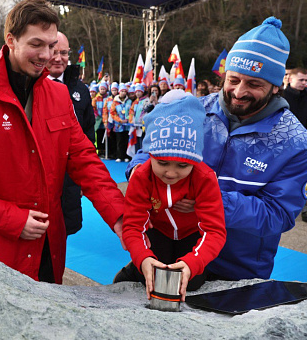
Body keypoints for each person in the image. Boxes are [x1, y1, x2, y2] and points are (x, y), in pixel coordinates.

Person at [0, 0, 126, 284]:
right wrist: (11, 219)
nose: (46, 55)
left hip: (49, 247)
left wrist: (119, 215)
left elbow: (84, 160)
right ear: (11, 40)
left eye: (52, 45)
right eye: (36, 44)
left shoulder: (58, 95)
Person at [127, 17, 307, 281]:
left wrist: (210, 200)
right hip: (172, 251)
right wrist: (138, 171)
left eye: (254, 84)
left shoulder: (295, 141)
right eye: (233, 79)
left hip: (236, 268)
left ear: (276, 86)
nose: (239, 92)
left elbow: (279, 214)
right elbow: (149, 150)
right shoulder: (194, 109)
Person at [116, 90, 227, 301]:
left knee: (191, 282)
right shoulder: (142, 175)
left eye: (183, 165)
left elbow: (215, 231)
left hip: (191, 233)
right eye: (162, 162)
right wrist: (142, 258)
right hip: (159, 230)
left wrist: (193, 263)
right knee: (150, 273)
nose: (170, 173)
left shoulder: (205, 177)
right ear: (150, 154)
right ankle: (134, 269)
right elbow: (133, 226)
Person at [46, 31, 95, 235]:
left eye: (64, 53)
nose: (59, 58)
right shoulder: (29, 86)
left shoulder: (80, 90)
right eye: (54, 52)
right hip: (42, 178)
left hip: (70, 180)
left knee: (63, 233)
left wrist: (86, 177)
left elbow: (88, 133)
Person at [281, 67, 307, 221]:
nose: (304, 83)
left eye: (306, 80)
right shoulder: (281, 97)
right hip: (284, 144)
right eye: (301, 80)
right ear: (290, 79)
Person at [110, 83, 131, 162]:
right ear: (119, 92)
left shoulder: (129, 101)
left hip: (127, 125)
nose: (123, 93)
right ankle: (119, 155)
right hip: (118, 125)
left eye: (125, 91)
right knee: (119, 141)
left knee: (126, 140)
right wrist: (120, 120)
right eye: (122, 91)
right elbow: (112, 113)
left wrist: (128, 119)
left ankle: (126, 156)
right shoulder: (115, 102)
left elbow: (131, 111)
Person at [128, 83, 148, 152]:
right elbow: (131, 112)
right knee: (136, 142)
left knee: (141, 142)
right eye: (136, 92)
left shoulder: (146, 100)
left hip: (142, 126)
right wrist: (132, 121)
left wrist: (141, 121)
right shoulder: (135, 102)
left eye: (139, 92)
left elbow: (145, 112)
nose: (137, 93)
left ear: (142, 92)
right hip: (135, 126)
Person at [103, 82, 119, 159]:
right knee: (110, 137)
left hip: (117, 122)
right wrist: (105, 121)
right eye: (113, 90)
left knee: (118, 138)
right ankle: (111, 153)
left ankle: (117, 153)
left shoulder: (119, 99)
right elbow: (105, 111)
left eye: (115, 90)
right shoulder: (108, 100)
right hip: (110, 121)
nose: (114, 92)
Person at [92, 82, 108, 157]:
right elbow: (93, 108)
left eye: (104, 89)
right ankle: (99, 150)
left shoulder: (108, 98)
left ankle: (105, 151)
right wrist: (96, 115)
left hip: (105, 119)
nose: (102, 90)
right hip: (98, 119)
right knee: (98, 135)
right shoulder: (96, 99)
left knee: (105, 136)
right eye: (101, 89)